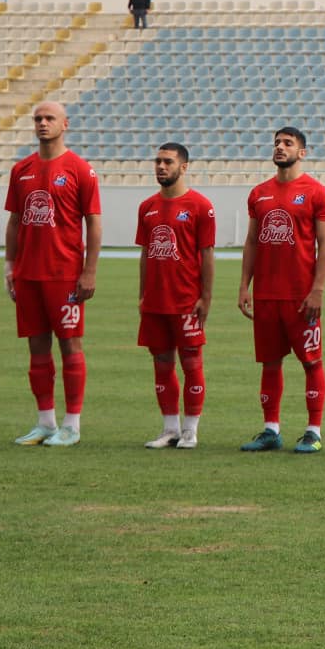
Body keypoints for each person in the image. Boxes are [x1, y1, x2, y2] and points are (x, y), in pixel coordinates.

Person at [5, 101, 102, 447]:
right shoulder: (22, 170)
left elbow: (93, 221)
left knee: (70, 344)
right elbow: (15, 220)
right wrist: (9, 265)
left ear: (65, 124)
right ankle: (45, 422)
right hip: (28, 273)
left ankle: (72, 425)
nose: (43, 124)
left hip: (64, 273)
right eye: (38, 119)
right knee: (36, 346)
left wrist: (89, 270)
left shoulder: (80, 169)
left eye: (49, 119)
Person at [236, 127, 325, 454]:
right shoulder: (259, 193)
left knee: (311, 362)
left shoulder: (317, 192)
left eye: (287, 143)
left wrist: (318, 289)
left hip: (300, 296)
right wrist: (244, 286)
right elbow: (251, 242)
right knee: (270, 362)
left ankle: (313, 431)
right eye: (277, 142)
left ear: (302, 152)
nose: (280, 147)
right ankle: (271, 429)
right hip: (266, 295)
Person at [136, 143, 215, 450]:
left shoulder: (200, 205)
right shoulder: (147, 207)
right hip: (156, 302)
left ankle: (191, 430)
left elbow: (207, 254)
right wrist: (142, 295)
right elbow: (145, 253)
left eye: (167, 161)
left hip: (185, 299)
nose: (160, 166)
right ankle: (169, 428)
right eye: (157, 161)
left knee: (192, 362)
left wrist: (205, 297)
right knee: (161, 363)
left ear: (183, 167)